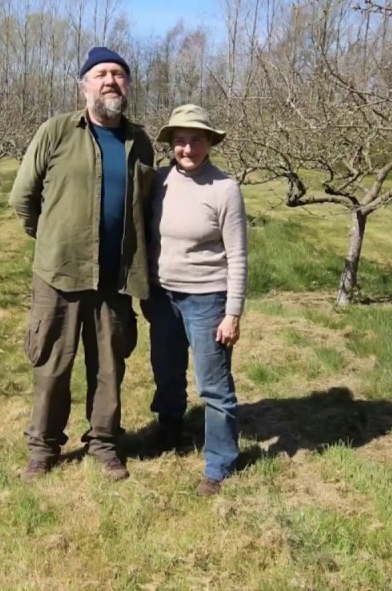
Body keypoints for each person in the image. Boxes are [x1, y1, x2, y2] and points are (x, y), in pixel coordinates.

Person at [9, 46, 157, 483]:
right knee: (52, 363)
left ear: (127, 85)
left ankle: (104, 443)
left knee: (110, 366)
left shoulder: (140, 140)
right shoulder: (56, 131)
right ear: (84, 86)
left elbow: (145, 205)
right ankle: (43, 448)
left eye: (118, 74)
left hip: (116, 275)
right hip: (60, 273)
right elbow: (22, 197)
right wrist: (51, 237)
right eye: (101, 74)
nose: (110, 81)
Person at [143, 104, 248, 496]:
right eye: (180, 141)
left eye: (196, 140)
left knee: (213, 385)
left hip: (208, 300)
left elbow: (237, 255)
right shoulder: (159, 182)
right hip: (163, 296)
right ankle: (169, 431)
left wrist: (232, 312)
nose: (187, 148)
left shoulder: (224, 188)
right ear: (171, 144)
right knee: (167, 374)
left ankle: (219, 463)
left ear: (209, 143)